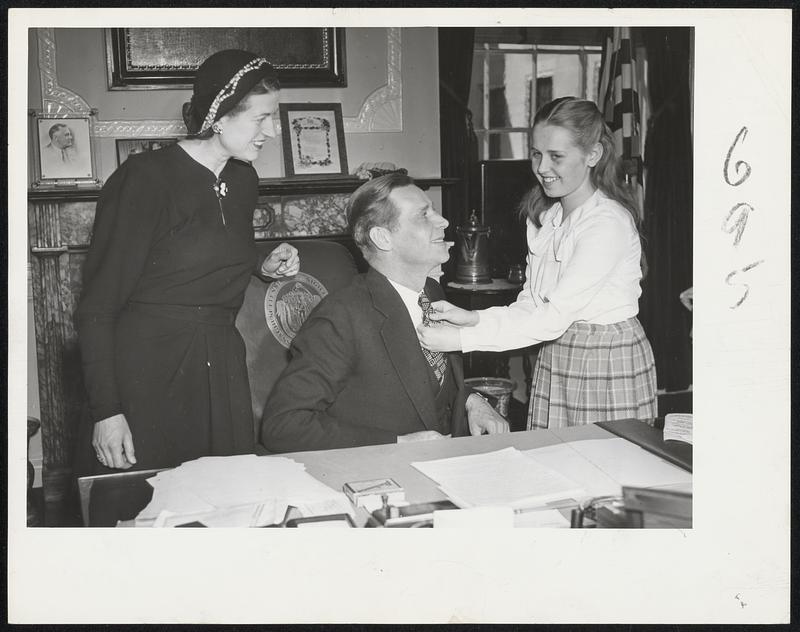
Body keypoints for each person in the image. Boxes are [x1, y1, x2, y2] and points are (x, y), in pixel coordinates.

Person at [76, 50, 300, 472]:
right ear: (219, 116)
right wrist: (107, 411)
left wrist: (261, 262)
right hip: (150, 369)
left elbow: (201, 248)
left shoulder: (242, 178)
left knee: (224, 507)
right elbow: (98, 305)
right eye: (261, 118)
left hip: (220, 364)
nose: (272, 131)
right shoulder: (144, 179)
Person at [418, 97, 657, 430]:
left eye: (556, 156)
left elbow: (553, 316)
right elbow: (532, 303)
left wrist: (460, 340)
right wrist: (471, 319)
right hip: (558, 350)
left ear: (593, 155)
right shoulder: (546, 217)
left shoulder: (606, 223)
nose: (542, 168)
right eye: (536, 154)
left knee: (603, 470)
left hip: (606, 359)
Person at [260, 173, 509, 453]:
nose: (444, 222)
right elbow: (282, 426)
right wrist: (396, 444)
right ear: (383, 237)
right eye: (423, 215)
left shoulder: (431, 293)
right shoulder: (340, 318)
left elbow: (432, 384)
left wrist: (473, 401)